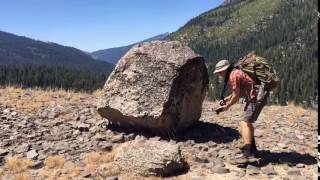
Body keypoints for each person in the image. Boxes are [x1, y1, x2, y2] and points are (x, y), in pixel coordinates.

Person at [213, 59, 269, 162]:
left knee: (244, 122)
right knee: (248, 122)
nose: (219, 75)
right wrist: (226, 100)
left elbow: (236, 95)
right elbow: (238, 92)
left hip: (256, 97)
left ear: (224, 70)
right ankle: (252, 148)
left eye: (220, 72)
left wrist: (227, 106)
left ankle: (247, 154)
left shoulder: (233, 75)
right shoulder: (237, 71)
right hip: (255, 95)